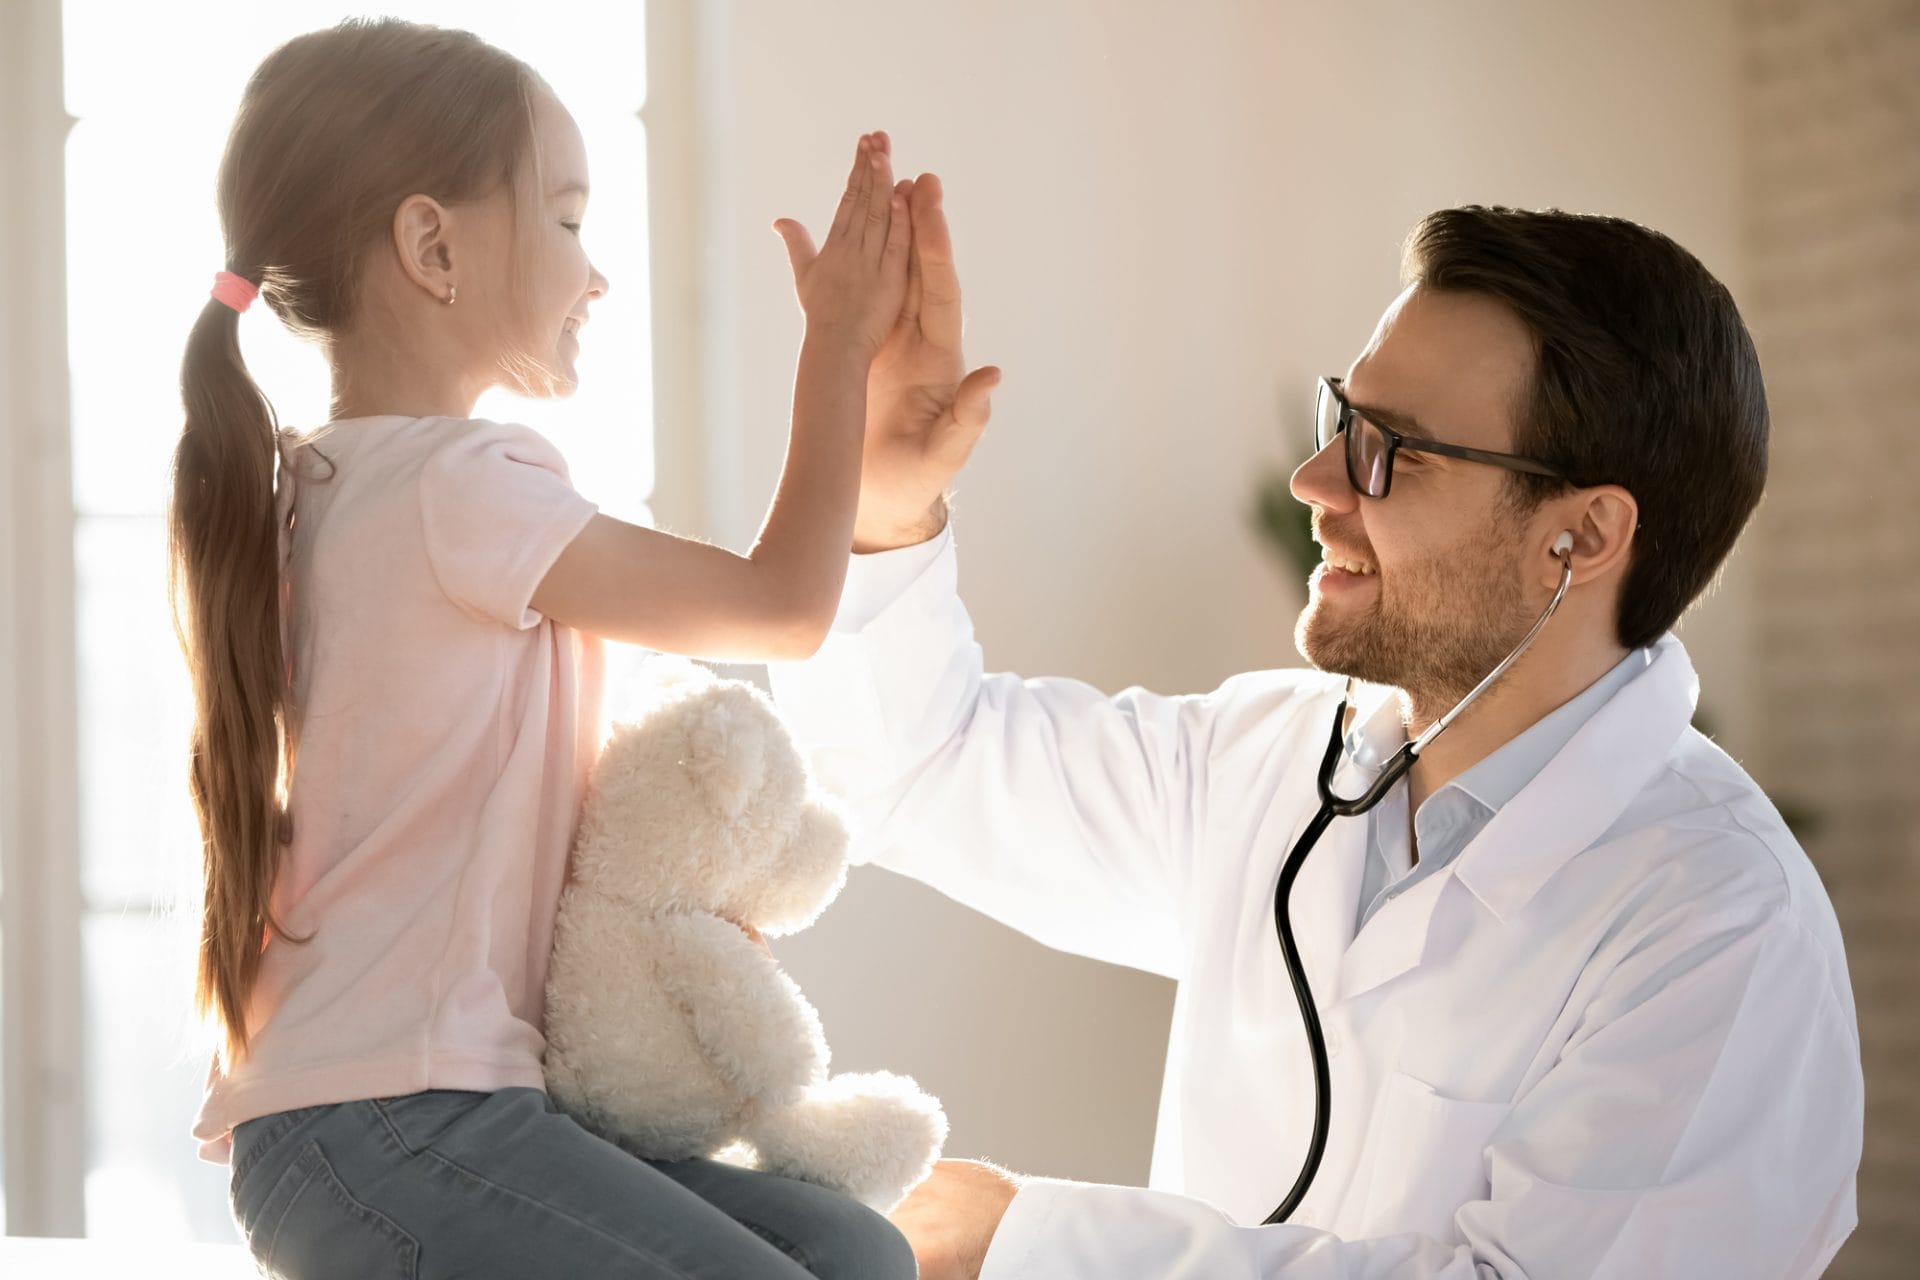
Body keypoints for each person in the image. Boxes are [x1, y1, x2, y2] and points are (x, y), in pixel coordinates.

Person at [770, 196, 1865, 1277]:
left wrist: (1032, 1243)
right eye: (1343, 418)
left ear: (1581, 535)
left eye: (1395, 451)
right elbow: (913, 763)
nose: (1316, 483)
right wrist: (884, 507)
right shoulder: (1269, 761)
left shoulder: (1721, 924)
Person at [172, 17, 922, 1277]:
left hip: (380, 1121)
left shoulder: (322, 482)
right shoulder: (460, 483)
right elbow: (783, 605)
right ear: (432, 245)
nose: (597, 273)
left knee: (854, 1249)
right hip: (382, 1124)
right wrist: (839, 345)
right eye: (569, 222)